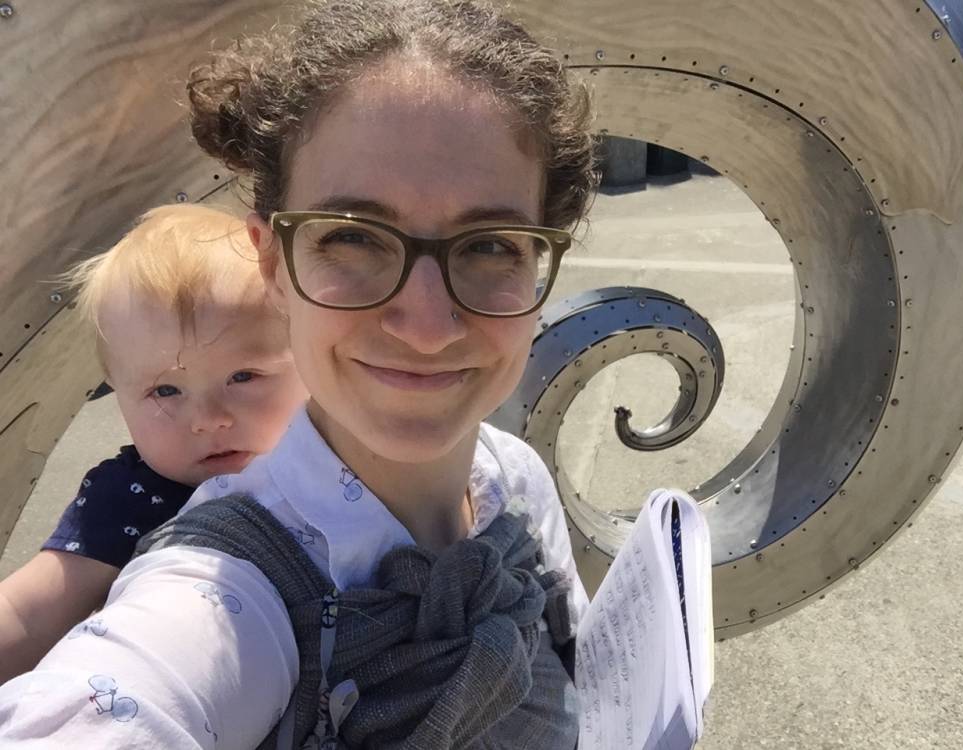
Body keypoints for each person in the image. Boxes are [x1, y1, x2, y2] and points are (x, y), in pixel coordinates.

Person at [0, 0, 598, 746]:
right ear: (272, 263)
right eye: (351, 236)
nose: (426, 324)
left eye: (491, 245)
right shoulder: (223, 597)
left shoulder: (515, 482)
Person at [0, 205, 307, 684]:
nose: (208, 420)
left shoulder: (336, 459)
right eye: (166, 391)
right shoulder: (130, 499)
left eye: (243, 376)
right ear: (116, 393)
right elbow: (27, 613)